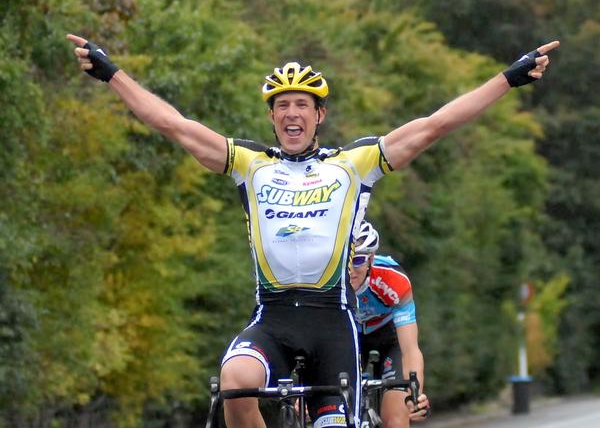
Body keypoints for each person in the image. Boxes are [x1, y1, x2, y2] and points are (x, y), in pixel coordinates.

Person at [66, 32, 559, 428]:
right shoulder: (249, 164)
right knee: (235, 384)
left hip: (331, 322)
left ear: (319, 115)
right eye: (281, 106)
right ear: (272, 117)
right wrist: (112, 74)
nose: (291, 113)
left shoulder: (354, 163)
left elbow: (433, 126)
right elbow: (172, 124)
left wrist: (507, 80)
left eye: (302, 105)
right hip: (273, 317)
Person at [351, 221, 426, 428]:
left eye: (357, 260)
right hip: (348, 336)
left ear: (371, 259)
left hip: (387, 337)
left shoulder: (393, 280)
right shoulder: (327, 283)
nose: (350, 270)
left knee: (396, 418)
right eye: (344, 261)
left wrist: (415, 395)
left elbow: (410, 350)